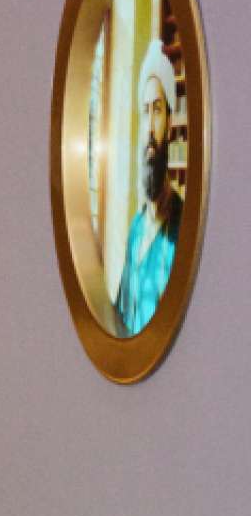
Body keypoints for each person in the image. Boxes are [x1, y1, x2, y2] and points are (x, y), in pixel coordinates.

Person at [114, 38, 183, 336]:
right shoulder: (136, 228)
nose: (150, 127)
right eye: (145, 111)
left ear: (169, 123)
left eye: (157, 109)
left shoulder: (183, 227)